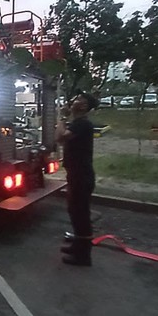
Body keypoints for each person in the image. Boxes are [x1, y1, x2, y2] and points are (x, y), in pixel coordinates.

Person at [55, 91, 99, 266]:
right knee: (74, 211)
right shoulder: (77, 123)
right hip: (76, 174)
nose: (74, 100)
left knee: (81, 214)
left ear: (85, 106)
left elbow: (60, 138)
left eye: (79, 99)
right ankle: (77, 245)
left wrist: (62, 117)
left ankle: (83, 256)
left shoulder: (82, 124)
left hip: (81, 175)